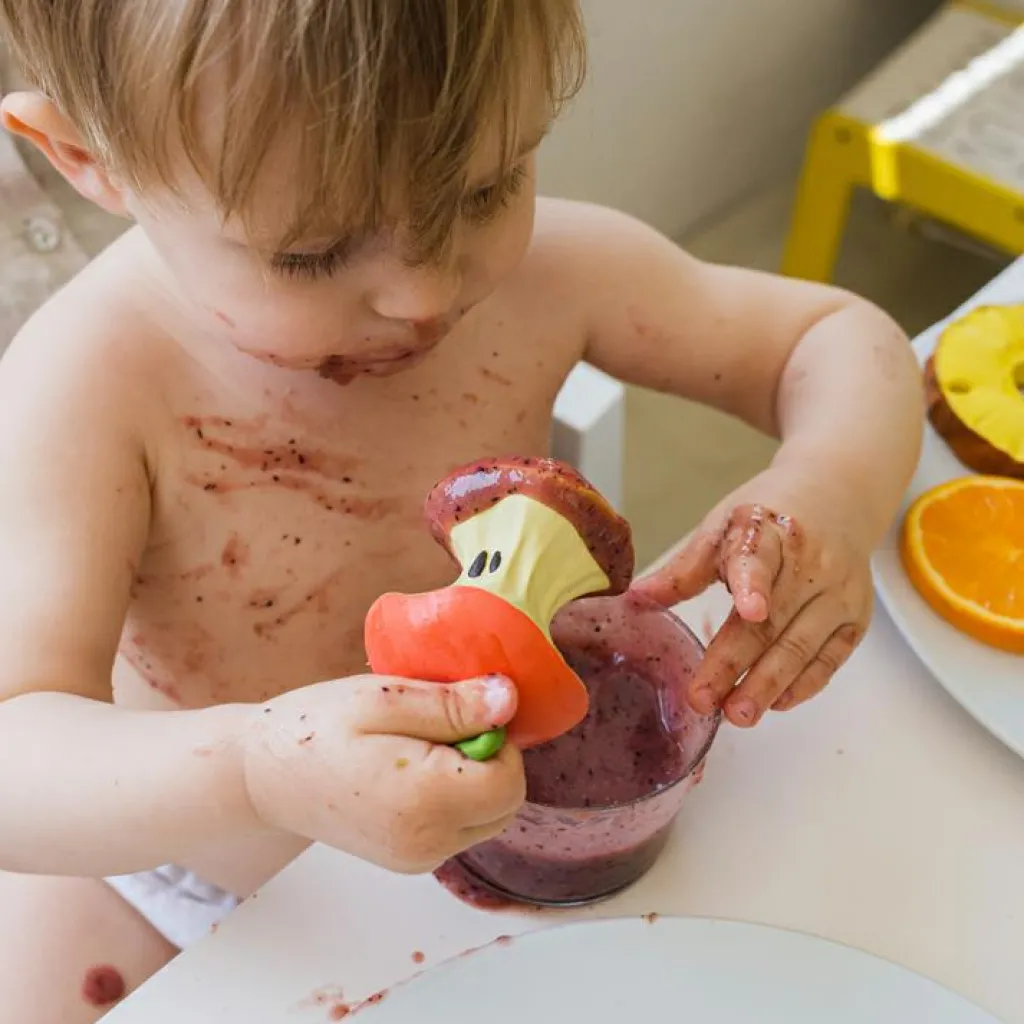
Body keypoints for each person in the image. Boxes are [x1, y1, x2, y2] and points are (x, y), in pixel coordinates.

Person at [0, 0, 923, 1018]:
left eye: (484, 190)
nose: (425, 293)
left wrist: (826, 485)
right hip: (208, 882)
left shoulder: (556, 274)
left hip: (536, 851)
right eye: (311, 254)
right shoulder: (86, 388)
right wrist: (260, 770)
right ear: (83, 157)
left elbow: (839, 340)